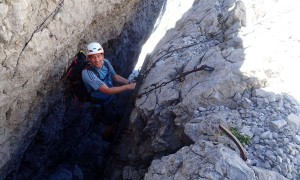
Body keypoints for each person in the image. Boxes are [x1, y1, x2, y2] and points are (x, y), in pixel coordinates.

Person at [82, 42, 136, 140]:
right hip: (101, 104)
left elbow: (115, 77)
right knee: (110, 123)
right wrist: (128, 87)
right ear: (88, 58)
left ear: (103, 55)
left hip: (111, 97)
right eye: (93, 57)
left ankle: (118, 128)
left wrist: (128, 82)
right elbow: (106, 91)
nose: (97, 60)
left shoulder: (106, 62)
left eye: (99, 56)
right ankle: (107, 138)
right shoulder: (87, 73)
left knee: (116, 115)